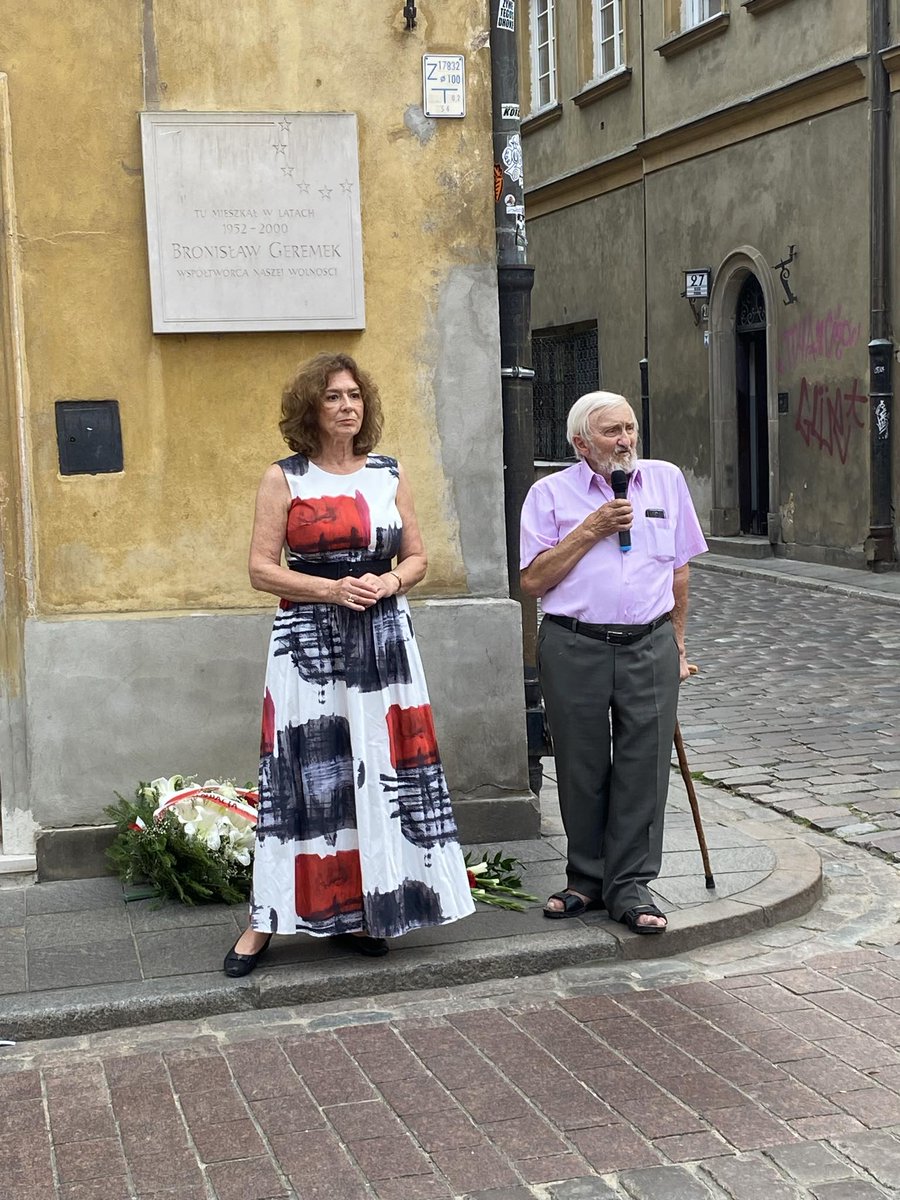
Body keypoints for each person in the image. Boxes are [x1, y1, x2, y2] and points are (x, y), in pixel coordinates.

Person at [224, 352, 475, 977]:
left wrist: (389, 583)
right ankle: (265, 920)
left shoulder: (389, 473)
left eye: (355, 395)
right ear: (311, 408)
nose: (346, 406)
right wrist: (332, 590)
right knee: (305, 769)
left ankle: (369, 907)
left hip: (383, 637)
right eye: (333, 396)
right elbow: (260, 570)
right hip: (308, 641)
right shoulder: (285, 478)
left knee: (380, 762)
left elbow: (418, 557)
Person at [519, 391, 707, 934]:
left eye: (629, 428)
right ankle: (586, 878)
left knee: (644, 765)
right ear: (581, 444)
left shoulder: (666, 480)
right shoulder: (549, 494)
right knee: (581, 764)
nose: (625, 440)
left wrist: (678, 645)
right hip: (573, 642)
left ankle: (630, 885)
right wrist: (591, 529)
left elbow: (679, 570)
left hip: (650, 642)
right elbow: (533, 580)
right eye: (611, 432)